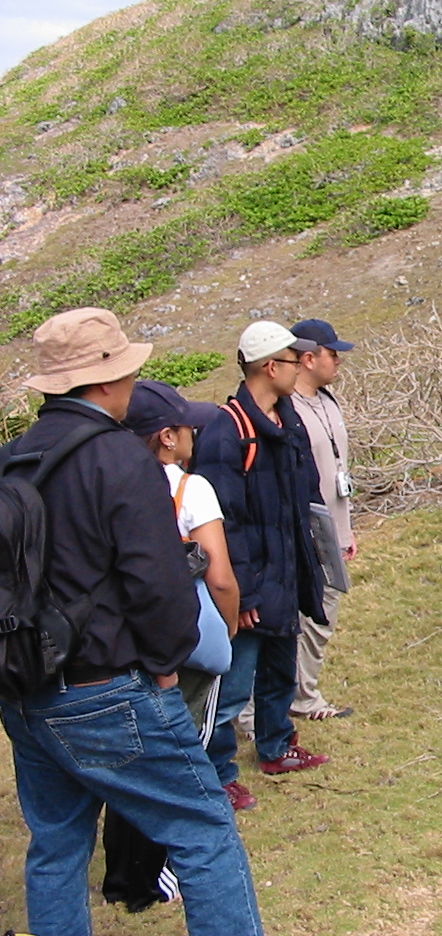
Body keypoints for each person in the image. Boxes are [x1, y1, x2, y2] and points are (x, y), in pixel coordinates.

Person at [0, 307, 263, 936]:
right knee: (203, 829)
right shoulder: (120, 460)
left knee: (58, 844)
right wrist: (169, 664)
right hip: (109, 685)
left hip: (27, 684)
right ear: (107, 381)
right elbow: (158, 583)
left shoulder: (13, 458)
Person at [102, 379, 240, 913]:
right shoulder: (190, 489)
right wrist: (224, 631)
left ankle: (123, 872)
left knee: (131, 759)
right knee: (184, 754)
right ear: (165, 437)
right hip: (182, 640)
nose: (193, 434)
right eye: (185, 427)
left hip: (125, 643)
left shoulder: (108, 483)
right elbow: (221, 576)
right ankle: (154, 872)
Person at [193, 320, 330, 813]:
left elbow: (305, 498)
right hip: (252, 584)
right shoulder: (226, 434)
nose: (301, 368)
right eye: (294, 360)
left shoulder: (288, 420)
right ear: (271, 366)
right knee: (230, 690)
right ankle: (218, 775)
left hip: (288, 573)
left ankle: (276, 747)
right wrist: (243, 595)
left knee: (279, 672)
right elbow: (223, 525)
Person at [288, 318, 357, 720]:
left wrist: (347, 529)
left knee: (324, 617)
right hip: (308, 532)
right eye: (333, 354)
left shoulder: (328, 401)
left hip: (335, 528)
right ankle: (297, 698)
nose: (338, 363)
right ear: (309, 358)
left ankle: (304, 692)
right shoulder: (287, 408)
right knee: (306, 618)